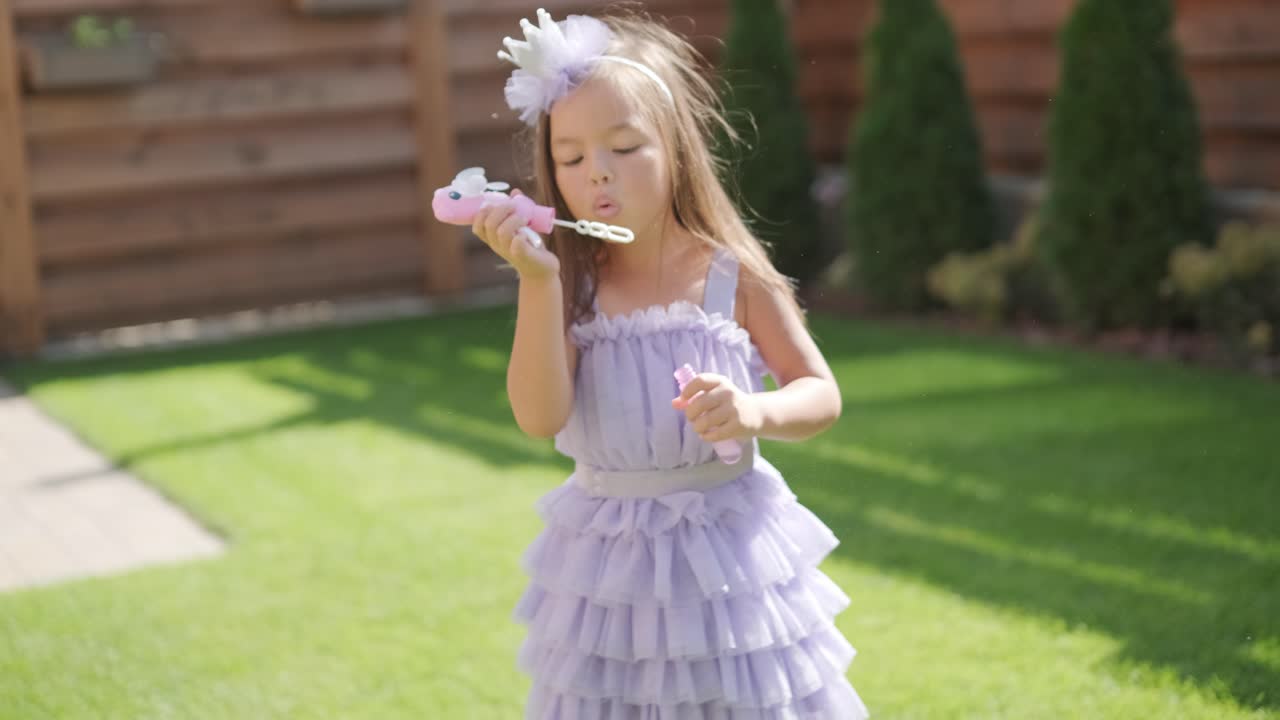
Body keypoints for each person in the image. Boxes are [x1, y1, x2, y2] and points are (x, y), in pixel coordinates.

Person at [471, 8, 870, 718]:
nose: (598, 172)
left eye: (624, 146)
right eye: (571, 158)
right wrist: (538, 283)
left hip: (730, 560)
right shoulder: (569, 286)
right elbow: (540, 418)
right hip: (608, 573)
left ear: (677, 147)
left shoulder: (732, 275)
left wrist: (754, 411)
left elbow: (819, 393)